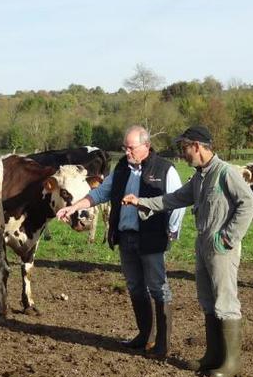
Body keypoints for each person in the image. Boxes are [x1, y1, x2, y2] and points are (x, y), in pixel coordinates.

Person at [121, 125, 253, 377]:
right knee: (208, 299)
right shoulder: (200, 177)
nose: (183, 154)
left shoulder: (225, 173)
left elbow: (250, 203)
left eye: (185, 148)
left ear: (197, 146)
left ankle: (231, 363)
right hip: (204, 245)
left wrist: (228, 237)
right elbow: (172, 199)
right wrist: (141, 201)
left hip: (221, 248)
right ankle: (213, 356)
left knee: (226, 301)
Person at [56, 125, 185, 358]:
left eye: (131, 148)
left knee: (158, 287)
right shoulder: (122, 168)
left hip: (152, 238)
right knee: (135, 287)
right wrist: (73, 207)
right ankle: (144, 336)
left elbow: (177, 202)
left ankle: (163, 344)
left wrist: (172, 231)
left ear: (146, 146)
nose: (126, 152)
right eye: (124, 147)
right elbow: (99, 194)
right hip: (126, 238)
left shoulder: (166, 170)